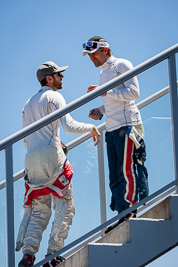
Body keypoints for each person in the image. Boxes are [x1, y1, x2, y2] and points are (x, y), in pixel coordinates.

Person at [17, 61, 100, 267]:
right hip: (52, 157)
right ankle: (53, 253)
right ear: (49, 78)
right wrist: (91, 127)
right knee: (66, 204)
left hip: (31, 159)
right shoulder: (55, 96)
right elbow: (69, 125)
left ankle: (28, 256)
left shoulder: (27, 104)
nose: (62, 78)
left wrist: (55, 140)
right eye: (59, 75)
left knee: (40, 211)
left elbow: (27, 140)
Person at [82, 36, 148, 232]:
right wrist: (101, 110)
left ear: (105, 49)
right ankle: (122, 213)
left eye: (93, 53)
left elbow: (134, 93)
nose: (91, 58)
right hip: (112, 128)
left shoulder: (122, 64)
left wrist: (105, 93)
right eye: (89, 55)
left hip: (127, 125)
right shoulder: (104, 73)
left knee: (127, 170)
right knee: (115, 175)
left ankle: (129, 210)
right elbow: (112, 97)